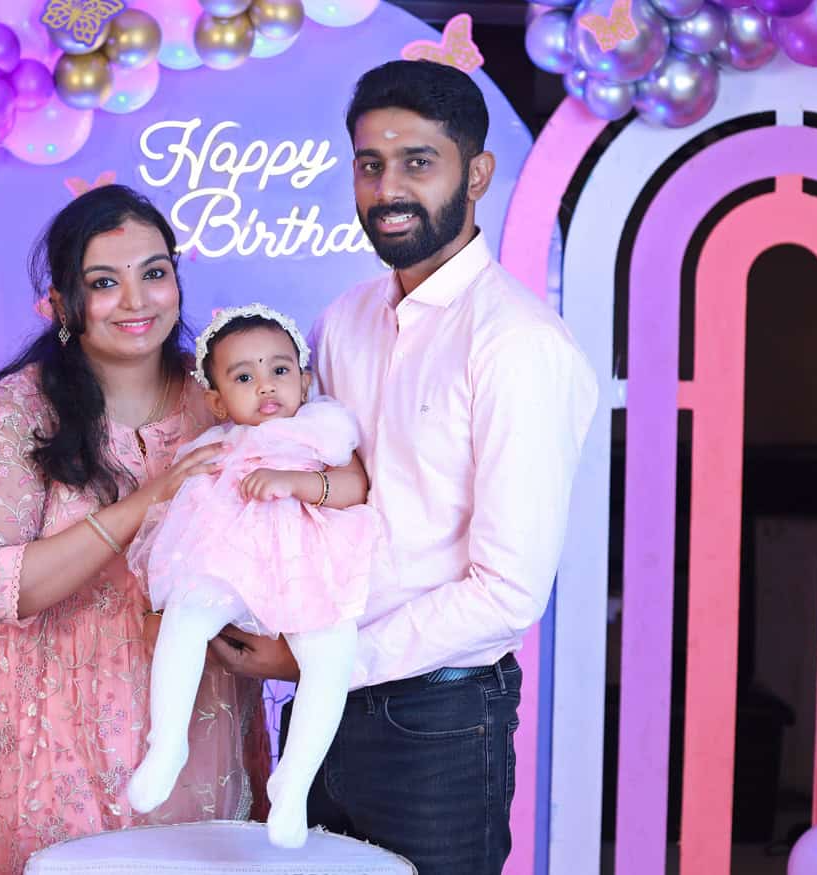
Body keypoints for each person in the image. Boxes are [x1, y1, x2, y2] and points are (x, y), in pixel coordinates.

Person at [207, 60, 599, 874]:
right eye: (368, 164)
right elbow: (312, 490)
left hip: (440, 717)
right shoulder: (342, 321)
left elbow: (507, 590)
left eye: (417, 162)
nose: (387, 188)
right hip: (319, 703)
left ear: (476, 173)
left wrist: (318, 660)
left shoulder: (518, 346)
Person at [0, 185, 269, 874]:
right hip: (50, 744)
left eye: (153, 272)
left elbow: (287, 551)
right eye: (103, 282)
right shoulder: (20, 410)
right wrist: (146, 501)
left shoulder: (224, 401)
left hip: (194, 729)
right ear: (63, 304)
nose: (136, 299)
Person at [124, 304, 387, 849]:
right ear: (218, 399)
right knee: (187, 615)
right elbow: (180, 516)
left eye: (279, 370)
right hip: (233, 560)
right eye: (244, 377)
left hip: (307, 566)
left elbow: (354, 487)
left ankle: (293, 781)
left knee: (331, 655)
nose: (265, 385)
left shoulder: (322, 430)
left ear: (305, 378)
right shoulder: (217, 446)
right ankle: (167, 741)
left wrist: (293, 481)